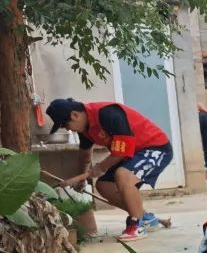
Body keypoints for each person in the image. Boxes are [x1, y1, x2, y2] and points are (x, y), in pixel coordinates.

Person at [46, 98, 171, 242]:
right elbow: (85, 155)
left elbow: (122, 151)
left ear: (75, 115)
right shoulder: (85, 129)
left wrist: (99, 168)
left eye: (66, 124)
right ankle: (145, 218)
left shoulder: (108, 114)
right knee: (104, 185)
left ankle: (137, 225)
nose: (68, 129)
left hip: (155, 148)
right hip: (132, 154)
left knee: (123, 175)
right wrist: (82, 179)